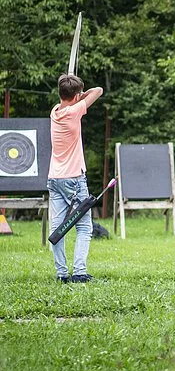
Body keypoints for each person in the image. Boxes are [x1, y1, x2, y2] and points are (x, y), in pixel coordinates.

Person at [48, 74, 103, 283]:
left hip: (54, 178)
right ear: (77, 95)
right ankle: (79, 272)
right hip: (74, 178)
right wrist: (81, 97)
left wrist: (74, 93)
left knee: (57, 228)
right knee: (84, 226)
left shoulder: (55, 111)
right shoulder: (74, 111)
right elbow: (98, 90)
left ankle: (62, 273)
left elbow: (68, 98)